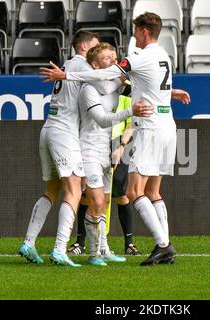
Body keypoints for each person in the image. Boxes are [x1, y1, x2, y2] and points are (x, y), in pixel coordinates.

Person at [40, 12, 190, 266]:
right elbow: (135, 84)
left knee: (134, 191)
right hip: (167, 125)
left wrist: (67, 76)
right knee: (152, 191)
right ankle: (154, 243)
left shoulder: (139, 58)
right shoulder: (164, 55)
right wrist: (170, 93)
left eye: (134, 30)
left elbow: (107, 77)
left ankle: (163, 245)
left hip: (150, 127)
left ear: (144, 31)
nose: (132, 35)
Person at [19, 31, 149, 267]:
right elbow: (107, 78)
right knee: (75, 192)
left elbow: (117, 85)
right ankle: (60, 249)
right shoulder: (83, 67)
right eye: (96, 47)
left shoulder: (73, 66)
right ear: (84, 47)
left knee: (52, 190)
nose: (97, 53)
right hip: (65, 134)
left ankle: (29, 242)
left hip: (49, 128)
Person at [75, 42, 152, 266]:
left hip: (106, 151)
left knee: (106, 201)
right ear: (95, 65)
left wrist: (170, 93)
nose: (114, 61)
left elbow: (141, 89)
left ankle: (104, 249)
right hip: (88, 150)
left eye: (115, 57)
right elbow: (101, 120)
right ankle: (93, 253)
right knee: (96, 201)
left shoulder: (116, 86)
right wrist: (131, 111)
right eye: (109, 58)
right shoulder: (88, 89)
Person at [68, 94, 142, 257]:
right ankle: (80, 243)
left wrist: (122, 146)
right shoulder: (96, 94)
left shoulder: (125, 97)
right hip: (96, 146)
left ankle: (129, 243)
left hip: (118, 148)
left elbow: (130, 125)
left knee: (120, 195)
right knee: (88, 196)